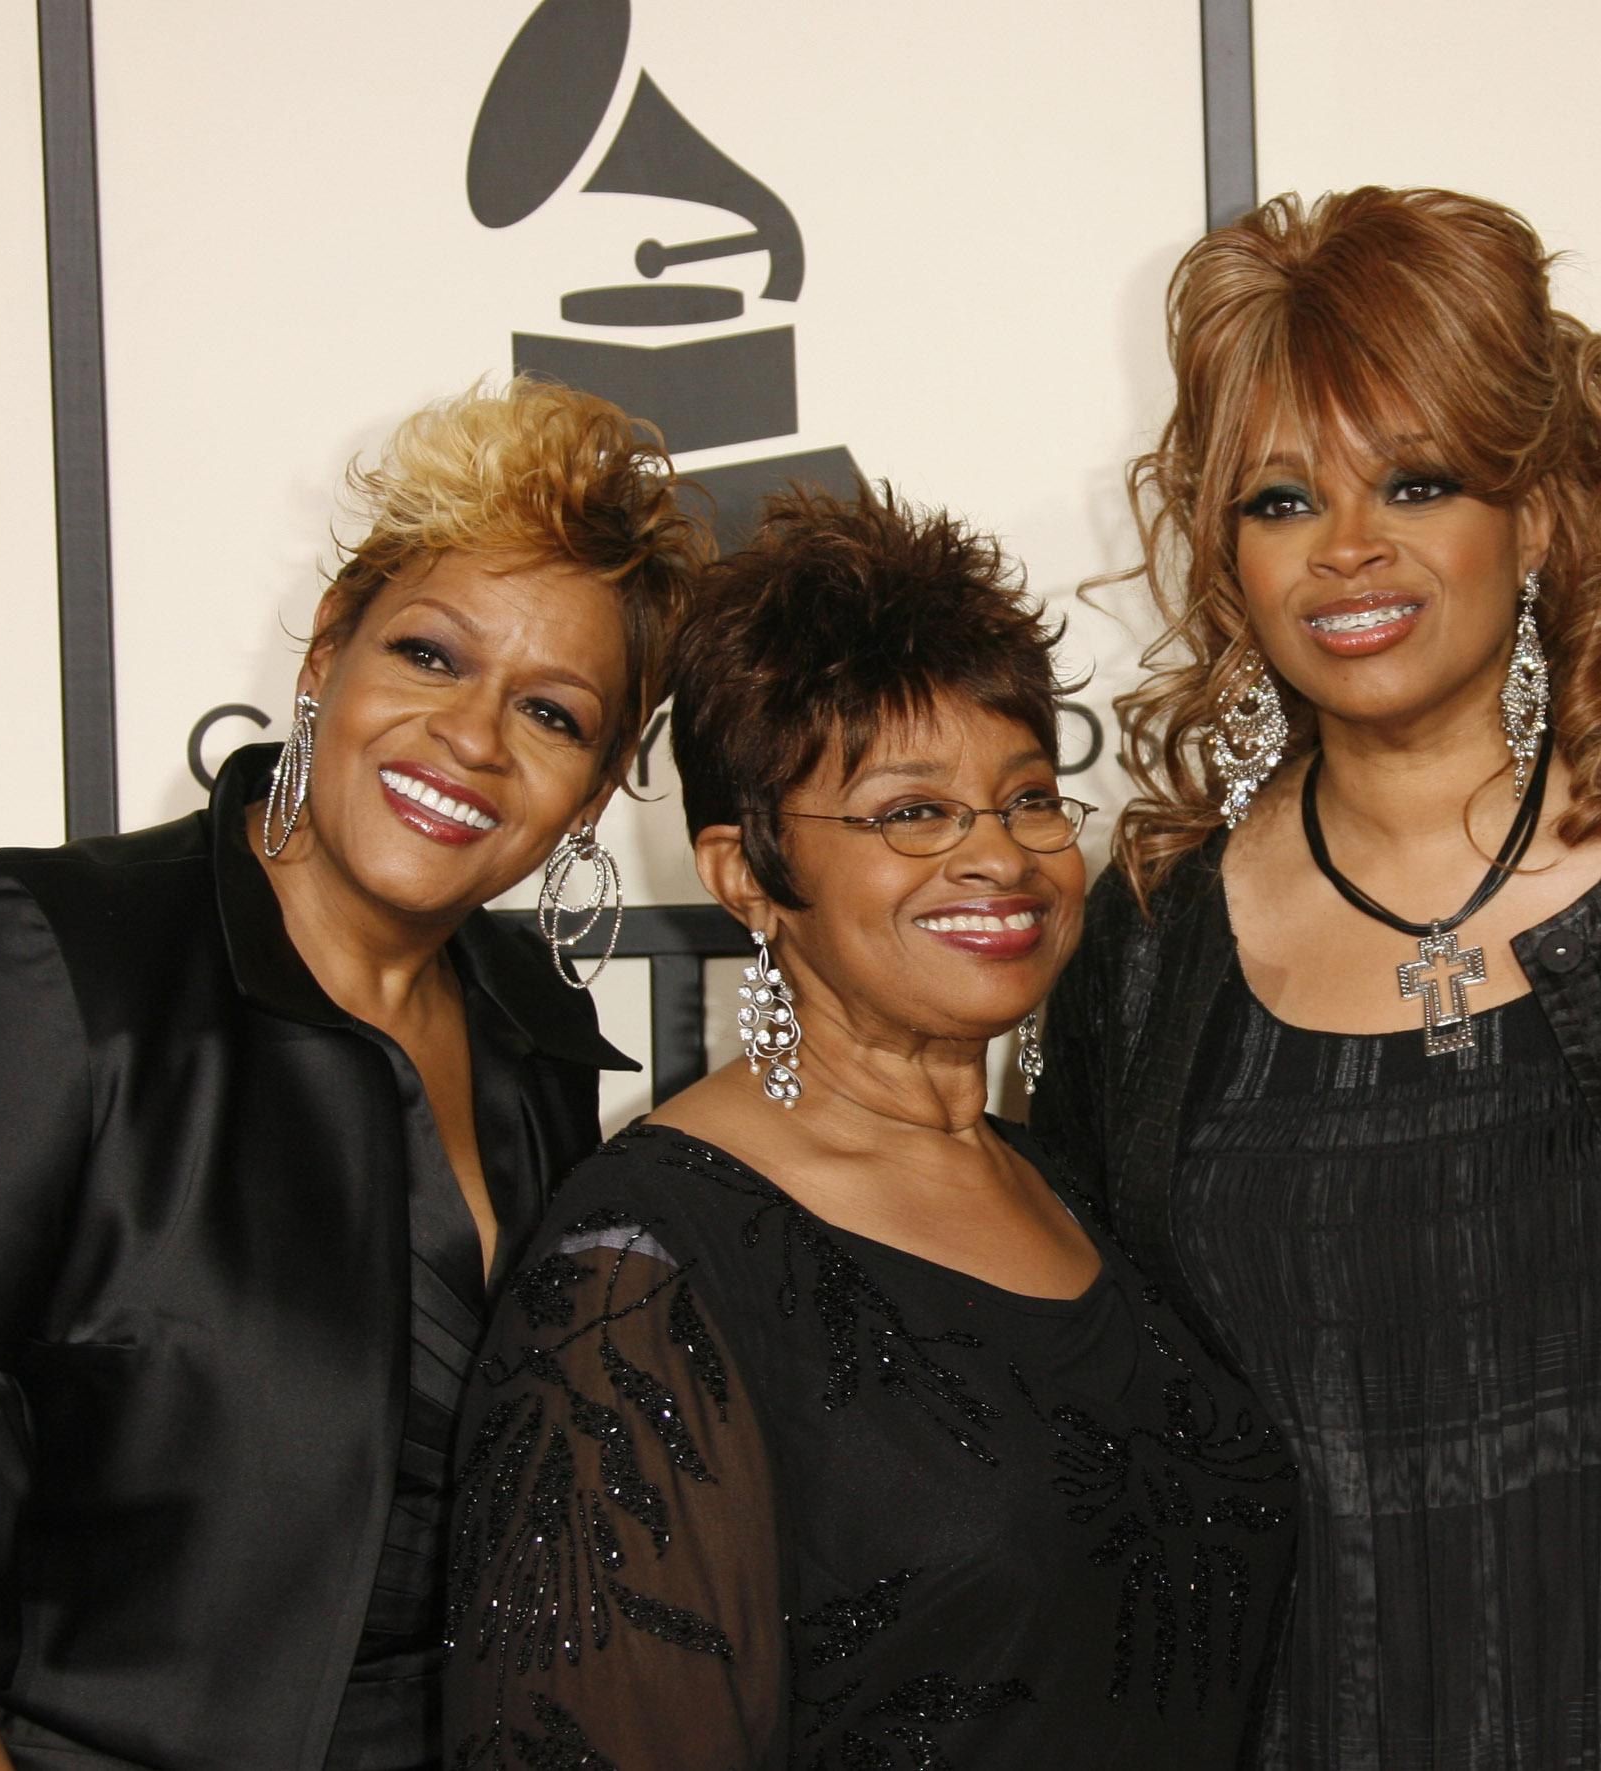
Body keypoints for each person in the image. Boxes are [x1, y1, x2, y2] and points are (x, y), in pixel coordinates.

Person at [1034, 186, 1601, 1767]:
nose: (1348, 549)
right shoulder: (1151, 946)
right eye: (1281, 498)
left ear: (1538, 508)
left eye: (1417, 479)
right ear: (1224, 550)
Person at [0, 380, 708, 1768]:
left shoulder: (532, 1044)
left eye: (551, 713)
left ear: (598, 788)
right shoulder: (40, 959)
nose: (474, 737)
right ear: (326, 655)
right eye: (430, 655)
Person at [440, 485, 1299, 1770]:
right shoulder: (643, 1269)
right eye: (911, 812)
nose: (998, 855)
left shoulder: (1075, 1182)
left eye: (1027, 797)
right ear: (747, 875)